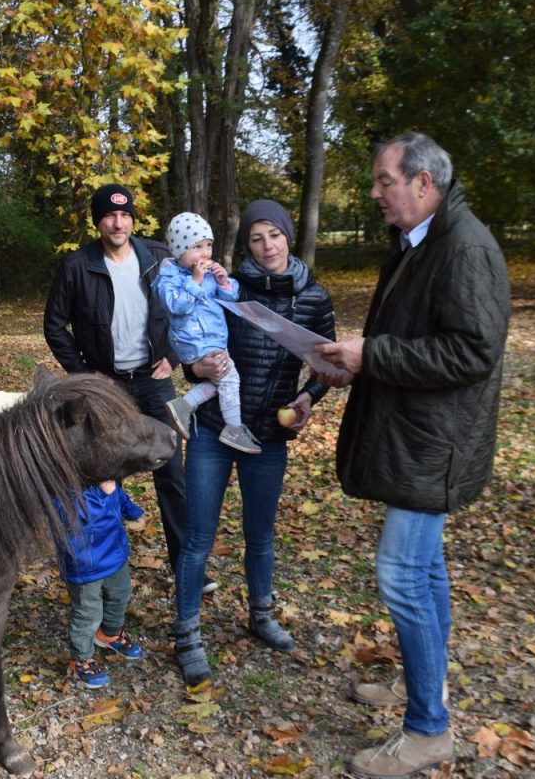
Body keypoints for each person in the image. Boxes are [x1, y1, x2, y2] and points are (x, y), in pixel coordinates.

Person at [313, 132, 510, 779]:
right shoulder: (423, 241)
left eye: (383, 181)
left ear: (423, 183)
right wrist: (359, 365)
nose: (374, 193)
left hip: (436, 444)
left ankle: (428, 730)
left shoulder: (465, 248)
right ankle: (423, 686)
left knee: (403, 575)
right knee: (424, 573)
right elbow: (410, 338)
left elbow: (472, 353)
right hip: (417, 435)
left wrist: (374, 356)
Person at [171, 199, 335, 690]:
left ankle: (261, 616)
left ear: (288, 237)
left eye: (275, 235)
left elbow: (326, 364)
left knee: (260, 536)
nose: (267, 246)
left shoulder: (314, 297)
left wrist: (307, 398)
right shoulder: (227, 290)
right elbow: (191, 339)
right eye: (257, 238)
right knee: (198, 537)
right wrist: (194, 370)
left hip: (269, 435)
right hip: (214, 432)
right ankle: (187, 635)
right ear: (247, 244)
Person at [44, 184, 210, 591]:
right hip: (107, 386)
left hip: (154, 381)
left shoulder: (158, 257)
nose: (118, 223)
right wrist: (84, 374)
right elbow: (54, 325)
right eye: (109, 216)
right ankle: (98, 569)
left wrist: (173, 354)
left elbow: (188, 306)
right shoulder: (77, 266)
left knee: (172, 472)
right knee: (100, 474)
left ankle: (187, 569)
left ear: (132, 219)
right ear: (98, 221)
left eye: (124, 215)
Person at [154, 212, 261, 454]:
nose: (205, 253)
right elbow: (176, 307)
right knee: (229, 378)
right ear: (179, 251)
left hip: (212, 337)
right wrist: (196, 280)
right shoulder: (168, 278)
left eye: (209, 245)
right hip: (193, 339)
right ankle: (233, 427)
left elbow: (229, 298)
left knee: (222, 380)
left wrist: (223, 282)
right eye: (197, 247)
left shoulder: (209, 273)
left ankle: (184, 405)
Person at [55, 480, 147, 689]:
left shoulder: (106, 476)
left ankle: (109, 632)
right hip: (84, 561)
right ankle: (81, 658)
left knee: (121, 593)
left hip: (114, 553)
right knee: (87, 610)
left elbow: (119, 496)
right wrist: (102, 495)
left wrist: (132, 511)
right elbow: (69, 515)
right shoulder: (64, 484)